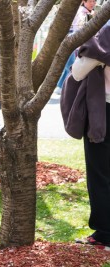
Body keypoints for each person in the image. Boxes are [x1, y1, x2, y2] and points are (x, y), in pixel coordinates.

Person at [65, 25, 110, 249]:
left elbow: (77, 72)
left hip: (105, 113)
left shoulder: (106, 35)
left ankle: (105, 235)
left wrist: (98, 61)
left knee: (100, 174)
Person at [56, 0, 96, 94]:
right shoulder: (80, 12)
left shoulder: (91, 13)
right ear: (84, 2)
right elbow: (78, 28)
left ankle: (61, 86)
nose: (92, 3)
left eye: (94, 1)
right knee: (71, 64)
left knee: (71, 65)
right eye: (90, 1)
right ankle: (64, 87)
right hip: (75, 43)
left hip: (81, 43)